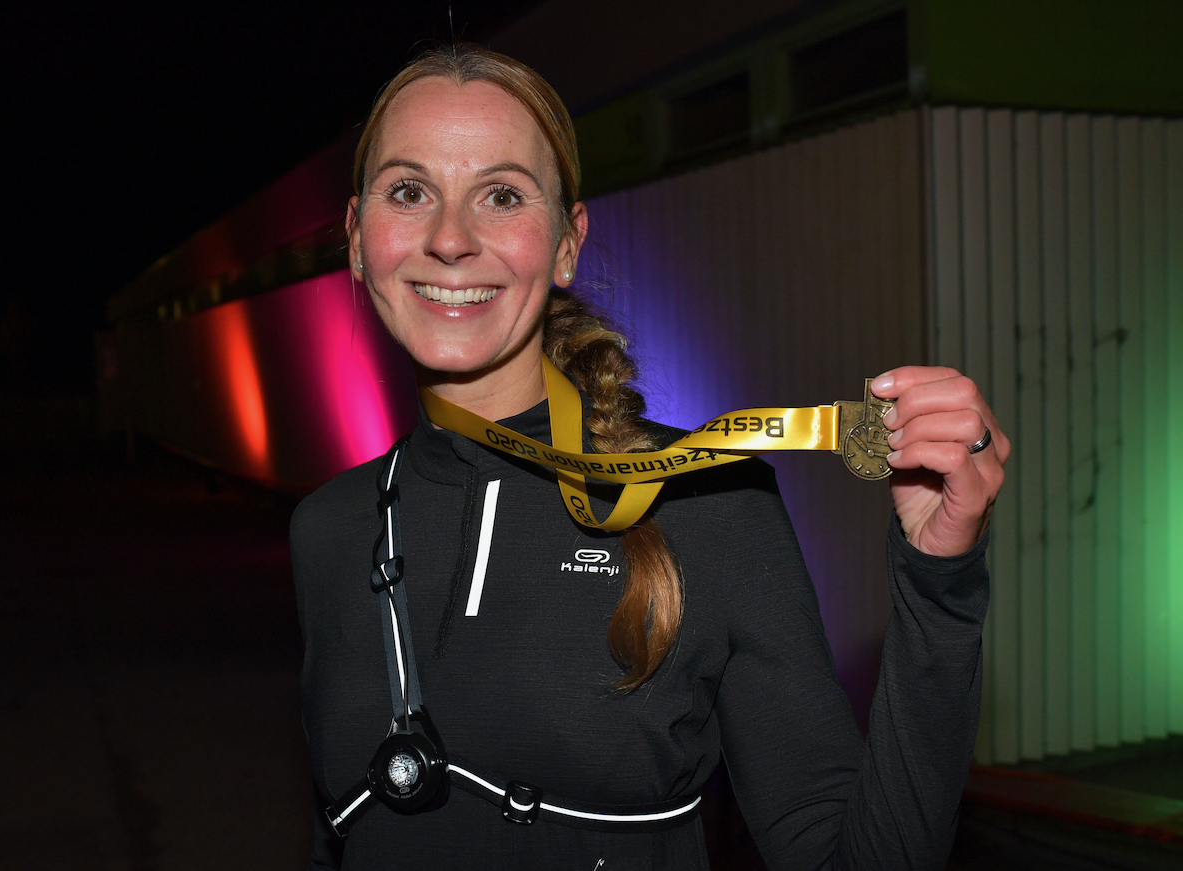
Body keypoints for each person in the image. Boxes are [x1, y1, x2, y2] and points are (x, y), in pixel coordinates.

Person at [290, 44, 1008, 870]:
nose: (451, 238)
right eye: (410, 191)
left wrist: (940, 587)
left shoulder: (711, 506)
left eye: (502, 195)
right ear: (355, 235)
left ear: (567, 241)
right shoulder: (330, 527)